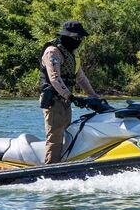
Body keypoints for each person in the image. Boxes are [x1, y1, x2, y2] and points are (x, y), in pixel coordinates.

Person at [38, 21, 101, 164]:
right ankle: (50, 168)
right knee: (55, 136)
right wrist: (71, 97)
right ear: (67, 37)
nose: (79, 41)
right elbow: (55, 78)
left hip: (65, 101)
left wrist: (95, 97)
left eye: (80, 39)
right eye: (76, 38)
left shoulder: (72, 53)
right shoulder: (52, 52)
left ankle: (67, 163)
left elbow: (81, 78)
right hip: (53, 101)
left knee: (67, 132)